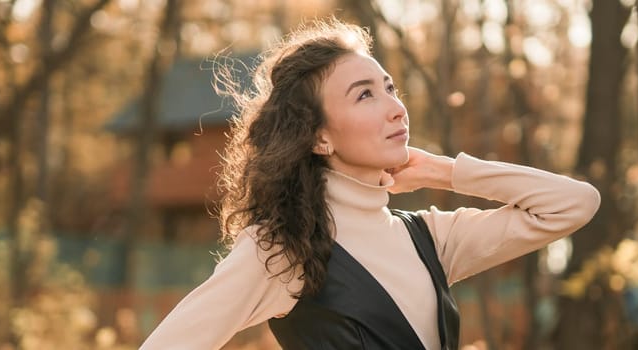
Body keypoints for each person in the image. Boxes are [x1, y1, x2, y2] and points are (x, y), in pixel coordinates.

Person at [138, 19, 600, 350]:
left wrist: (445, 171)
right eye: (365, 94)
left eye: (390, 88)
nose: (396, 108)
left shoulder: (430, 238)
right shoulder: (280, 253)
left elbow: (574, 203)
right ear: (319, 136)